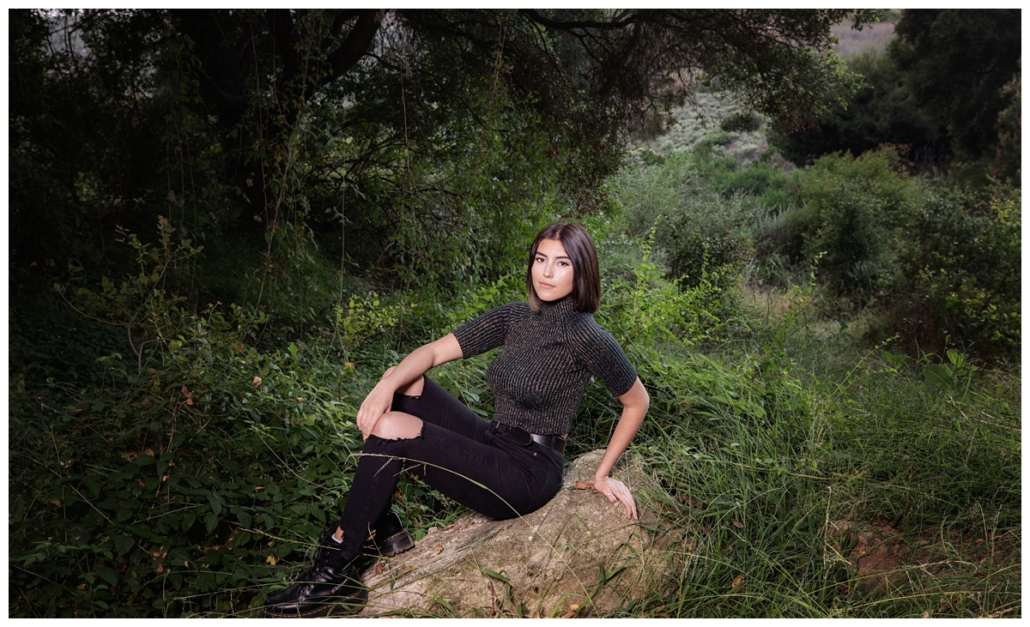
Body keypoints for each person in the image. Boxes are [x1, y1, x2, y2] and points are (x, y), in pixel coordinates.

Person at [263, 222, 649, 618]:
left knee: (389, 429)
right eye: (540, 259)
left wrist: (602, 473)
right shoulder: (516, 317)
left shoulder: (588, 337)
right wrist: (384, 388)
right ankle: (381, 523)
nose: (546, 273)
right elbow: (430, 353)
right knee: (402, 381)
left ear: (581, 271)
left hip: (528, 470)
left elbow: (637, 402)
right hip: (495, 439)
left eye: (562, 263)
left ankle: (336, 568)